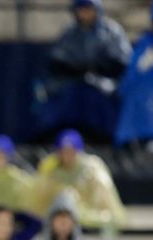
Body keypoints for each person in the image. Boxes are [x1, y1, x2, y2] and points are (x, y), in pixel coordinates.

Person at [38, 0, 130, 141]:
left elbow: (121, 63)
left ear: (97, 10)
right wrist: (77, 70)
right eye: (81, 9)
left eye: (88, 9)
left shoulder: (111, 31)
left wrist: (97, 68)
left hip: (104, 89)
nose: (84, 14)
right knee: (63, 98)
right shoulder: (70, 33)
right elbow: (56, 63)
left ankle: (102, 138)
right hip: (73, 86)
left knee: (97, 100)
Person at [31, 129, 126, 232]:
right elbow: (38, 202)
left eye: (71, 151)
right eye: (64, 151)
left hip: (89, 227)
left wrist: (84, 215)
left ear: (79, 151)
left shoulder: (92, 169)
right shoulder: (50, 168)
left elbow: (107, 205)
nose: (67, 156)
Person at [115, 3, 153, 147]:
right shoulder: (145, 43)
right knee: (140, 96)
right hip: (145, 94)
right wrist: (143, 65)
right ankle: (142, 138)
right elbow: (128, 81)